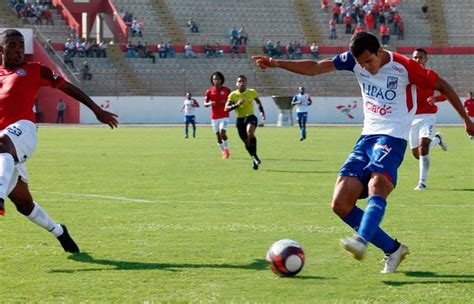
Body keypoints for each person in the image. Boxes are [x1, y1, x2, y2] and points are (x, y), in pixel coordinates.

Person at [253, 32, 474, 273]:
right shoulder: (352, 60)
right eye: (360, 64)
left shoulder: (405, 66)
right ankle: (393, 249)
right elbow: (316, 67)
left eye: (369, 61)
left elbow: (442, 84)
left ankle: (361, 240)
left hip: (393, 135)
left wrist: (466, 119)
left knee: (378, 186)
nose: (366, 68)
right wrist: (276, 63)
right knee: (340, 203)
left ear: (380, 51)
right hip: (366, 137)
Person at [0, 29, 118, 253]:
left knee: (2, 143)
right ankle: (59, 231)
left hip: (24, 131)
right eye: (12, 45)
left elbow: (68, 88)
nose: (18, 50)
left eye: (20, 45)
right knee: (24, 205)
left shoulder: (35, 70)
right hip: (5, 148)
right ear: (1, 48)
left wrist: (96, 110)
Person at [409, 48, 448, 190]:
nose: (417, 60)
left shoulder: (430, 75)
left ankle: (422, 183)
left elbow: (446, 93)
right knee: (417, 154)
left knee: (423, 147)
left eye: (420, 57)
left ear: (426, 59)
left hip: (428, 116)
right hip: (411, 119)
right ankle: (438, 139)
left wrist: (437, 98)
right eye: (415, 57)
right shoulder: (407, 76)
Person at [225, 75, 266, 170]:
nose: (241, 83)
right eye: (239, 81)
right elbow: (226, 108)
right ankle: (254, 157)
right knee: (246, 142)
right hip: (240, 120)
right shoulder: (233, 95)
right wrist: (236, 104)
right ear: (236, 83)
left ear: (246, 83)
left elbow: (258, 102)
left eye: (243, 81)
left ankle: (254, 157)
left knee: (250, 133)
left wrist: (262, 112)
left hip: (250, 116)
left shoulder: (252, 92)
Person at [204, 72, 232, 159]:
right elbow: (205, 104)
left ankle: (226, 149)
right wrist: (209, 103)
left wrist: (227, 103)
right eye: (214, 79)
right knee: (218, 136)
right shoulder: (209, 91)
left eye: (218, 79)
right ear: (212, 81)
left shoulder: (227, 90)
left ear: (221, 80)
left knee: (222, 132)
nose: (216, 80)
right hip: (214, 117)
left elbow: (232, 101)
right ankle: (223, 150)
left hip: (224, 115)